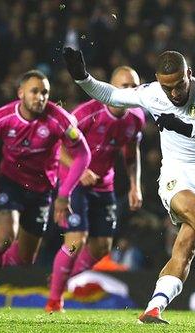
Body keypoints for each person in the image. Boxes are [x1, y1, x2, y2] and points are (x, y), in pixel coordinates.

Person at [63, 47, 195, 324]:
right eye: (168, 87)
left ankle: (154, 307)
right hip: (176, 175)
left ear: (189, 74)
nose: (175, 93)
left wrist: (184, 127)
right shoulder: (152, 92)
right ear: (157, 80)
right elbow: (111, 94)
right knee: (192, 208)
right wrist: (82, 77)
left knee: (186, 245)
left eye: (180, 85)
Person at [0, 70, 91, 313]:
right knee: (6, 236)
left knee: (26, 259)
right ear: (21, 93)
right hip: (11, 184)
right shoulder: (1, 118)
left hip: (42, 191)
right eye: (34, 91)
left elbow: (83, 154)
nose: (40, 97)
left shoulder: (59, 119)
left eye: (45, 92)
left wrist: (64, 194)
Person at [45, 66, 145, 313]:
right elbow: (57, 145)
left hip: (104, 183)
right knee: (76, 240)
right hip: (73, 180)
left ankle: (61, 276)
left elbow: (131, 154)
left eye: (135, 86)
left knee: (102, 248)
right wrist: (80, 169)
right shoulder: (88, 113)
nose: (131, 91)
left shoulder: (136, 118)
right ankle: (54, 301)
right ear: (111, 88)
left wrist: (135, 185)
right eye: (125, 86)